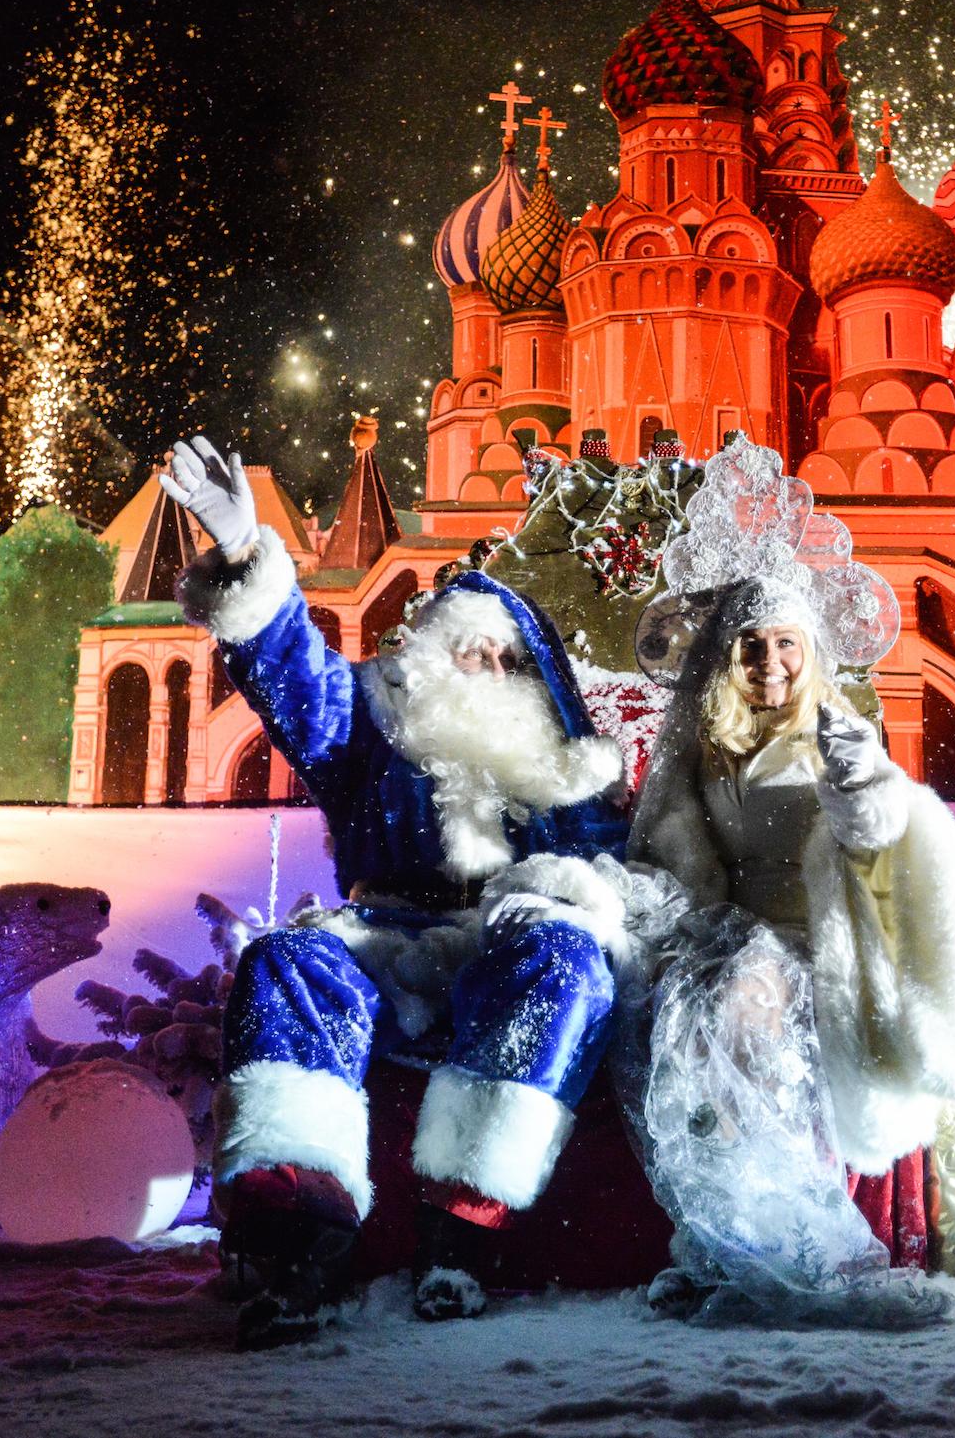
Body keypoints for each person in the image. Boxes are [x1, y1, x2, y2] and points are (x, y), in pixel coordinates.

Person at [162, 437, 631, 1340]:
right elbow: (293, 675)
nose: (487, 670)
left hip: (509, 948)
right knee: (286, 961)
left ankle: (461, 1234)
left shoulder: (565, 774)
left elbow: (612, 886)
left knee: (569, 954)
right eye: (468, 652)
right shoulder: (370, 735)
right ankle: (297, 1241)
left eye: (505, 659)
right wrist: (243, 554)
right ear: (426, 660)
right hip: (385, 938)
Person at [618, 566, 955, 1323]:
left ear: (810, 650)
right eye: (751, 644)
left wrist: (862, 791)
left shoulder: (837, 732)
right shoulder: (704, 745)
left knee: (736, 1012)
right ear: (726, 656)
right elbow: (668, 849)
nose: (769, 661)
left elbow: (884, 835)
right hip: (723, 934)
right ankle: (715, 1238)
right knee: (680, 1031)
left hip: (816, 937)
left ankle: (798, 1240)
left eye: (787, 642)